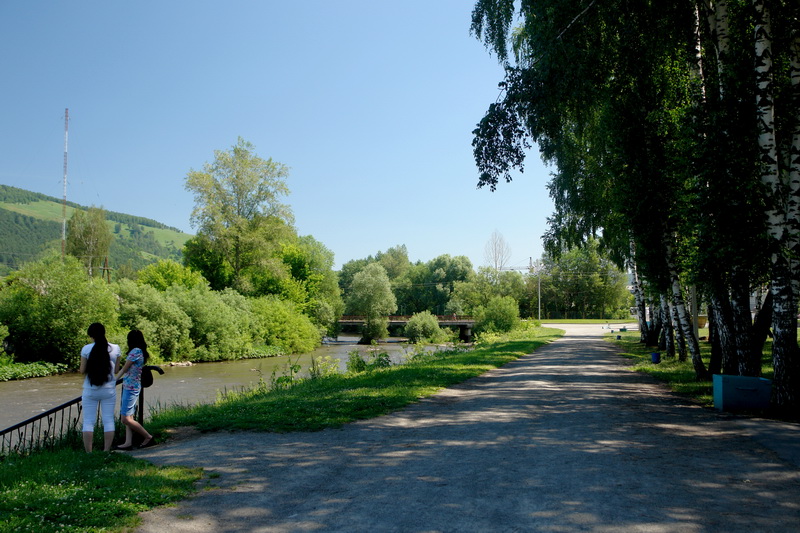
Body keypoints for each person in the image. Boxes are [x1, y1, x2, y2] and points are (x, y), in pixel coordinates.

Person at [80, 322, 120, 452]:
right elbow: (116, 370)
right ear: (104, 333)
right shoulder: (115, 348)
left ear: (91, 335)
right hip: (109, 389)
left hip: (90, 389)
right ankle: (106, 450)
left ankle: (89, 453)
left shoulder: (86, 349)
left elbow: (82, 370)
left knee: (88, 422)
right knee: (108, 420)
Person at [114, 329, 155, 450]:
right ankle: (128, 442)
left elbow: (124, 369)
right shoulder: (139, 351)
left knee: (125, 418)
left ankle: (148, 437)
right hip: (131, 386)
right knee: (129, 417)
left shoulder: (135, 351)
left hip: (131, 387)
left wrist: (114, 381)